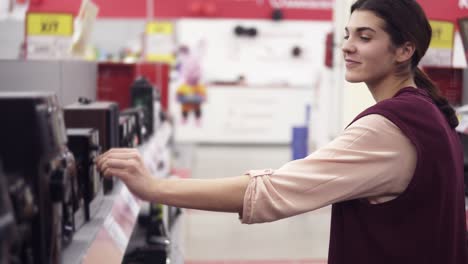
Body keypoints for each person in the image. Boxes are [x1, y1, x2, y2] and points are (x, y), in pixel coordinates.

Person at [96, 0, 467, 262]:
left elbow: (272, 191)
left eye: (365, 38)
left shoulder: (388, 127)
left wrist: (154, 188)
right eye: (347, 34)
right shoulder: (430, 112)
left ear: (404, 50)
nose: (347, 47)